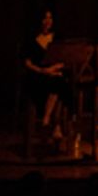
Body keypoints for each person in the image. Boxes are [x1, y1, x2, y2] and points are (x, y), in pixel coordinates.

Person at [22, 9, 71, 137]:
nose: (48, 21)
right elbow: (27, 63)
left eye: (50, 18)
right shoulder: (32, 39)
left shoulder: (57, 37)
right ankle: (56, 125)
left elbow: (64, 58)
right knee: (59, 84)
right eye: (45, 18)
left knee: (59, 82)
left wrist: (54, 68)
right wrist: (43, 71)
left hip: (55, 72)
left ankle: (47, 120)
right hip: (38, 74)